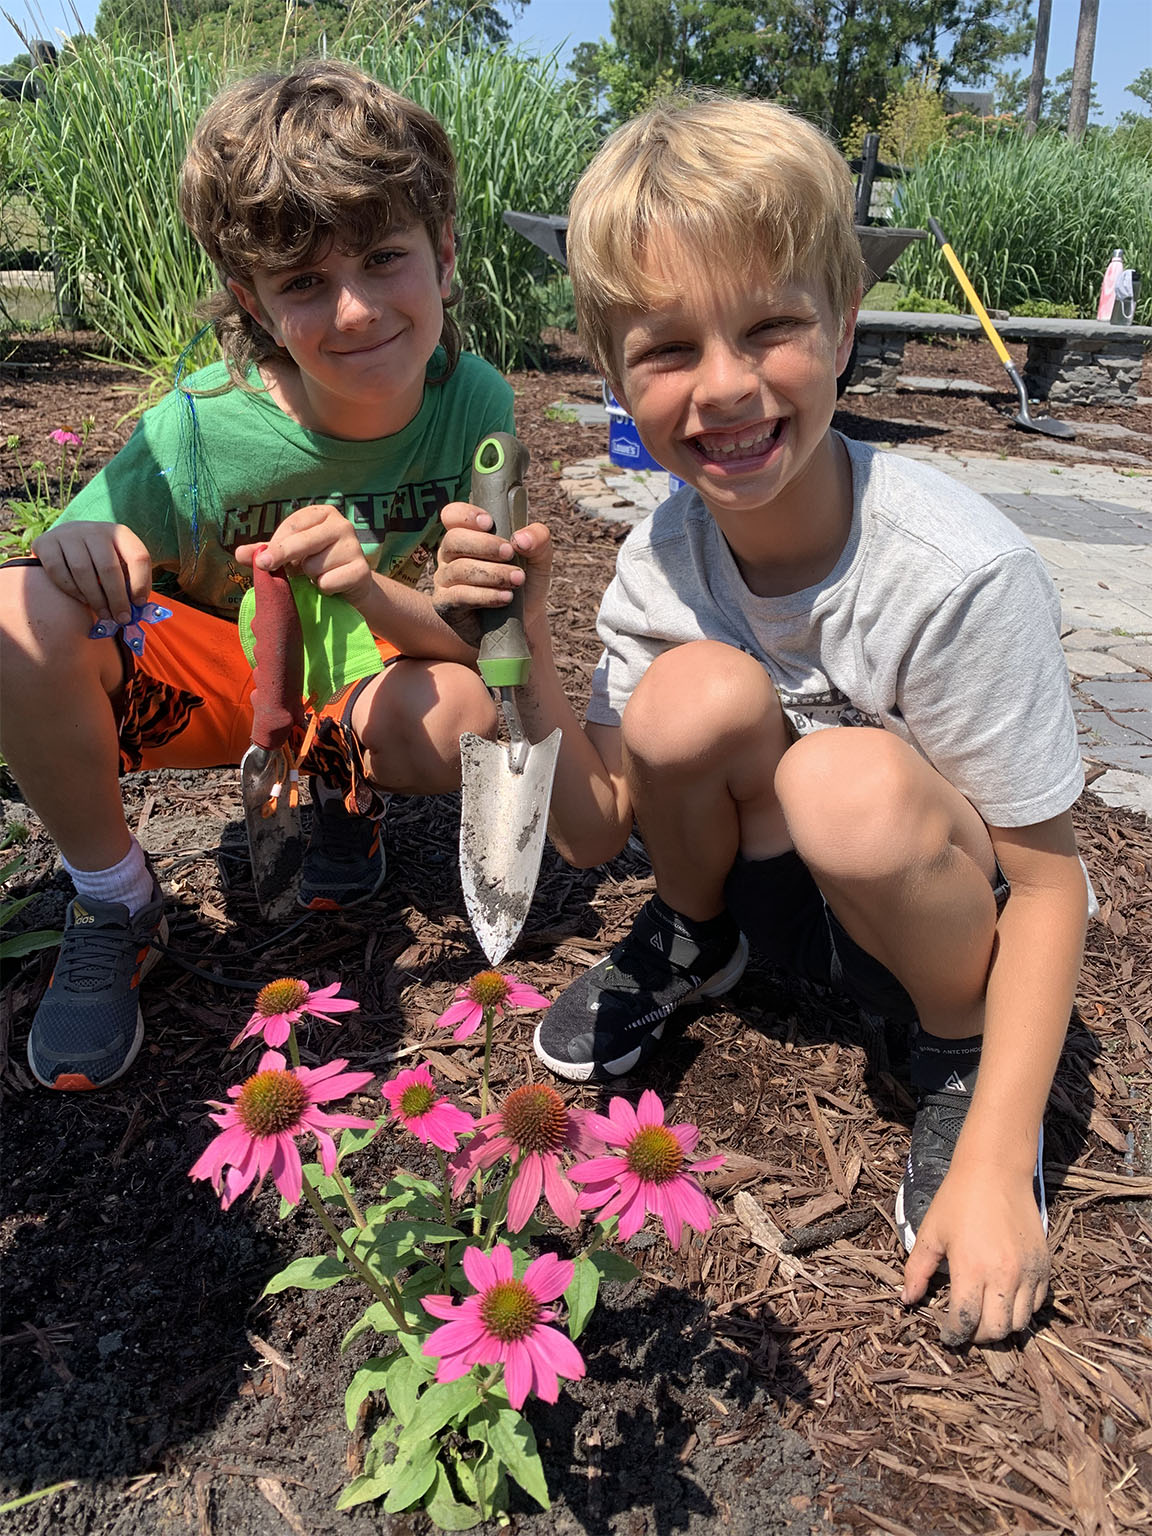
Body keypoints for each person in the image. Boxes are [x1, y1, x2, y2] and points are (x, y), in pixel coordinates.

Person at [432, 95, 1090, 1346]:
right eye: (667, 347)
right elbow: (590, 833)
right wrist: (516, 648)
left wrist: (1004, 1153)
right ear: (613, 371)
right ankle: (697, 944)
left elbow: (1051, 889)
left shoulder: (953, 570)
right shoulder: (666, 553)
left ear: (845, 325)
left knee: (847, 782)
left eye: (773, 324)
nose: (724, 385)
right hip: (777, 900)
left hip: (931, 925)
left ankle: (953, 1058)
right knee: (688, 697)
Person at [0, 60, 513, 1092]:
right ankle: (112, 896)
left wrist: (367, 585)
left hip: (356, 676)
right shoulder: (196, 431)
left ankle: (337, 788)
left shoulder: (477, 409)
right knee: (12, 608)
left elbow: (480, 643)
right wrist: (89, 552)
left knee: (468, 714)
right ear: (253, 301)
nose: (358, 309)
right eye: (305, 283)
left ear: (445, 256)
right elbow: (56, 573)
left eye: (383, 258)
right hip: (211, 684)